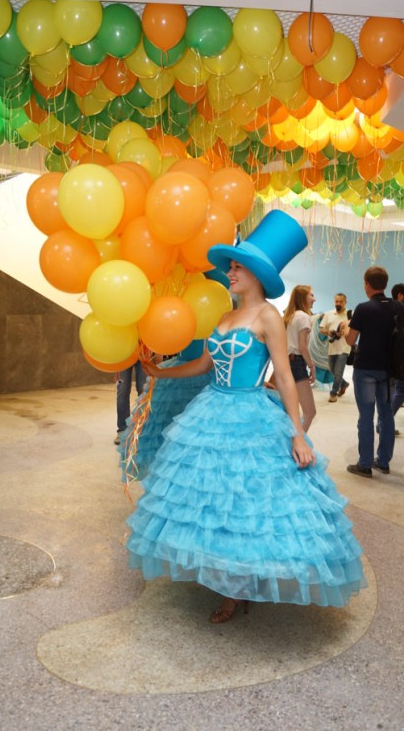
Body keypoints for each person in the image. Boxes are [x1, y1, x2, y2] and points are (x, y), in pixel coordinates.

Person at [125, 210, 367, 623]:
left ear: (257, 274)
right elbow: (204, 364)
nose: (231, 273)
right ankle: (224, 577)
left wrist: (296, 433)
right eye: (231, 267)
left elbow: (285, 377)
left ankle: (236, 590)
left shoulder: (268, 315)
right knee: (213, 499)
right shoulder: (224, 317)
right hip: (212, 410)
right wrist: (161, 372)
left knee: (247, 501)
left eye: (238, 267)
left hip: (251, 412)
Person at [118, 340, 211, 479]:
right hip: (183, 368)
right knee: (170, 422)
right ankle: (169, 468)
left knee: (197, 428)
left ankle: (191, 469)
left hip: (206, 373)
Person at [342, 266, 400, 478]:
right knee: (386, 415)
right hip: (389, 369)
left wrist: (345, 327)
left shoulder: (363, 308)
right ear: (385, 284)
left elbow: (350, 340)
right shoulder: (398, 307)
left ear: (367, 284)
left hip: (366, 368)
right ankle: (383, 462)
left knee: (366, 416)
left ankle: (365, 464)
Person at [283, 285, 317, 432]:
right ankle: (299, 442)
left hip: (286, 362)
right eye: (311, 295)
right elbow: (302, 347)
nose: (314, 299)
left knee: (290, 411)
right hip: (297, 363)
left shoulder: (288, 316)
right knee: (309, 412)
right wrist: (312, 366)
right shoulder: (303, 317)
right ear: (303, 297)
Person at [319, 293, 352, 403]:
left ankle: (333, 393)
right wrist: (329, 332)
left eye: (341, 301)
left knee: (338, 372)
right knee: (332, 370)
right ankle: (344, 384)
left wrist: (344, 332)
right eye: (337, 301)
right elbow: (321, 329)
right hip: (332, 347)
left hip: (344, 347)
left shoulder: (350, 314)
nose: (338, 303)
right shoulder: (329, 314)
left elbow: (354, 330)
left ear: (345, 302)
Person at [114, 361, 146, 445]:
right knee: (122, 390)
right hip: (123, 356)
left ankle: (142, 428)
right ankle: (123, 429)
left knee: (143, 390)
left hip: (143, 354)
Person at [390, 283, 404, 433]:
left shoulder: (389, 310)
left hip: (395, 360)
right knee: (400, 391)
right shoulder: (399, 312)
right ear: (400, 295)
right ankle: (384, 424)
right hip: (400, 360)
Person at [309, 313, 334, 389]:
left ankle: (321, 385)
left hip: (320, 352)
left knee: (322, 370)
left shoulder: (317, 322)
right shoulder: (321, 323)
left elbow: (321, 336)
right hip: (324, 352)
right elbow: (322, 336)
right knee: (328, 370)